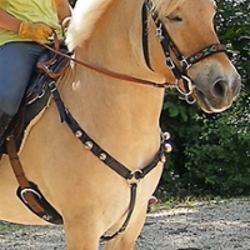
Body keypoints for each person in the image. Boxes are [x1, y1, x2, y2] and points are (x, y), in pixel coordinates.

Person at [0, 0, 72, 146]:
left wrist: (70, 24)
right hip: (16, 40)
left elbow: (61, 5)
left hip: (55, 42)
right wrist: (23, 28)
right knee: (6, 98)